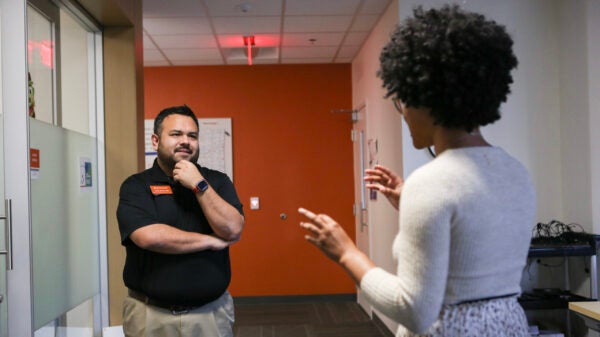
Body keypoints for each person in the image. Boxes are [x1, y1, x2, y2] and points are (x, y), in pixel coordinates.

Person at [298, 5, 535, 337]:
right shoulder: (515, 171)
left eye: (402, 101)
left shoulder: (433, 182)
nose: (403, 113)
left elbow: (414, 310)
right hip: (509, 326)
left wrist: (346, 252)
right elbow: (471, 244)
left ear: (424, 97)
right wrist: (409, 200)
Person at [117, 105, 244, 337]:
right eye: (176, 134)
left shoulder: (217, 181)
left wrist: (199, 185)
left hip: (210, 315)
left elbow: (233, 229)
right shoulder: (136, 185)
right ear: (155, 141)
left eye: (192, 136)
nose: (185, 141)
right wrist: (209, 241)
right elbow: (148, 236)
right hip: (151, 316)